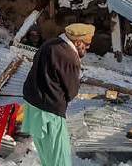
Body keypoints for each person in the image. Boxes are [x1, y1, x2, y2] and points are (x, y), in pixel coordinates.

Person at [22, 23, 95, 166]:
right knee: (59, 158)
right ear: (78, 41)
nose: (88, 47)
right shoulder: (70, 57)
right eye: (87, 44)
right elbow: (72, 91)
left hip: (33, 106)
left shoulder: (49, 44)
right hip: (50, 113)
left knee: (46, 155)